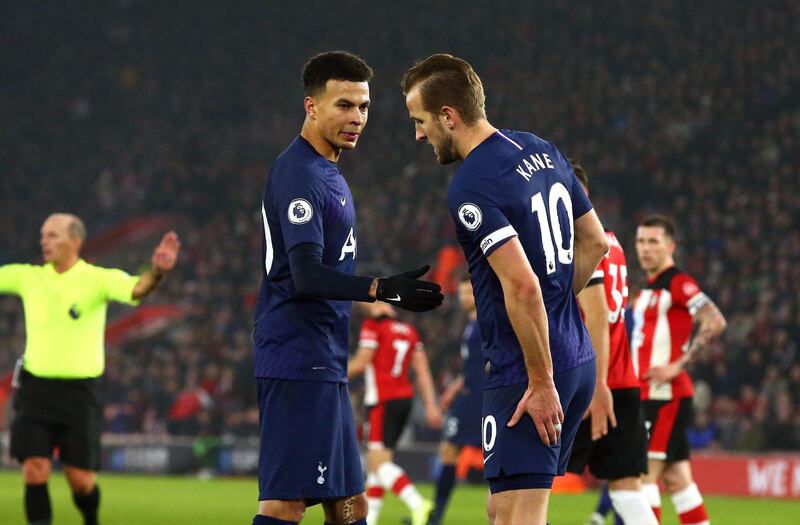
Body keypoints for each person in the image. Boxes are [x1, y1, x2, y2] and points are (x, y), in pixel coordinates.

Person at [402, 54, 609, 525]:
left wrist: (539, 380)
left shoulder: (472, 184)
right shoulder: (541, 148)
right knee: (501, 507)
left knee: (520, 515)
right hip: (575, 357)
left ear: (448, 116)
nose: (418, 134)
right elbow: (595, 241)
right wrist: (558, 307)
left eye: (420, 121)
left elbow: (522, 286)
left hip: (527, 370)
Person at [253, 51, 443, 525]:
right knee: (285, 504)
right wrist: (382, 289)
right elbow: (306, 274)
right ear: (311, 106)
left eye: (363, 106)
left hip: (325, 358)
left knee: (347, 502)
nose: (356, 118)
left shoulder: (328, 173)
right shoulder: (300, 174)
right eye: (343, 105)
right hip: (297, 359)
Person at [1, 213, 180, 525]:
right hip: (35, 389)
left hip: (80, 393)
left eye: (53, 235)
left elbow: (137, 288)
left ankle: (91, 520)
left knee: (80, 480)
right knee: (34, 468)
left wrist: (158, 272)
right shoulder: (27, 276)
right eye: (44, 235)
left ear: (75, 241)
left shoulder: (97, 279)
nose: (44, 241)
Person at [565, 162, 657, 525]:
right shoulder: (612, 241)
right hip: (623, 380)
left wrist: (598, 384)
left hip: (586, 384)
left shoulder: (580, 243)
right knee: (625, 489)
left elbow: (598, 315)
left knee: (517, 489)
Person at [631, 215, 727, 525]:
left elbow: (714, 320)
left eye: (653, 242)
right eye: (641, 241)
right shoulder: (649, 286)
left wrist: (679, 364)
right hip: (649, 393)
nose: (645, 249)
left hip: (664, 396)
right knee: (678, 480)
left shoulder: (679, 283)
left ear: (670, 246)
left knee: (642, 476)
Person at [348, 301, 442, 525]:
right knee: (377, 465)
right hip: (404, 400)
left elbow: (362, 362)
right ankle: (371, 520)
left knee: (378, 463)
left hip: (382, 399)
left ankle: (419, 504)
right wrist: (430, 405)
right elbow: (422, 370)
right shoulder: (409, 331)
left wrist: (332, 373)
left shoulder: (372, 326)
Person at [427, 274, 484, 525]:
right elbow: (472, 367)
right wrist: (452, 391)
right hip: (468, 396)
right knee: (448, 450)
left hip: (482, 398)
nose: (463, 298)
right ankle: (435, 515)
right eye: (461, 293)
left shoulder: (486, 322)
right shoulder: (471, 324)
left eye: (468, 293)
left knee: (491, 455)